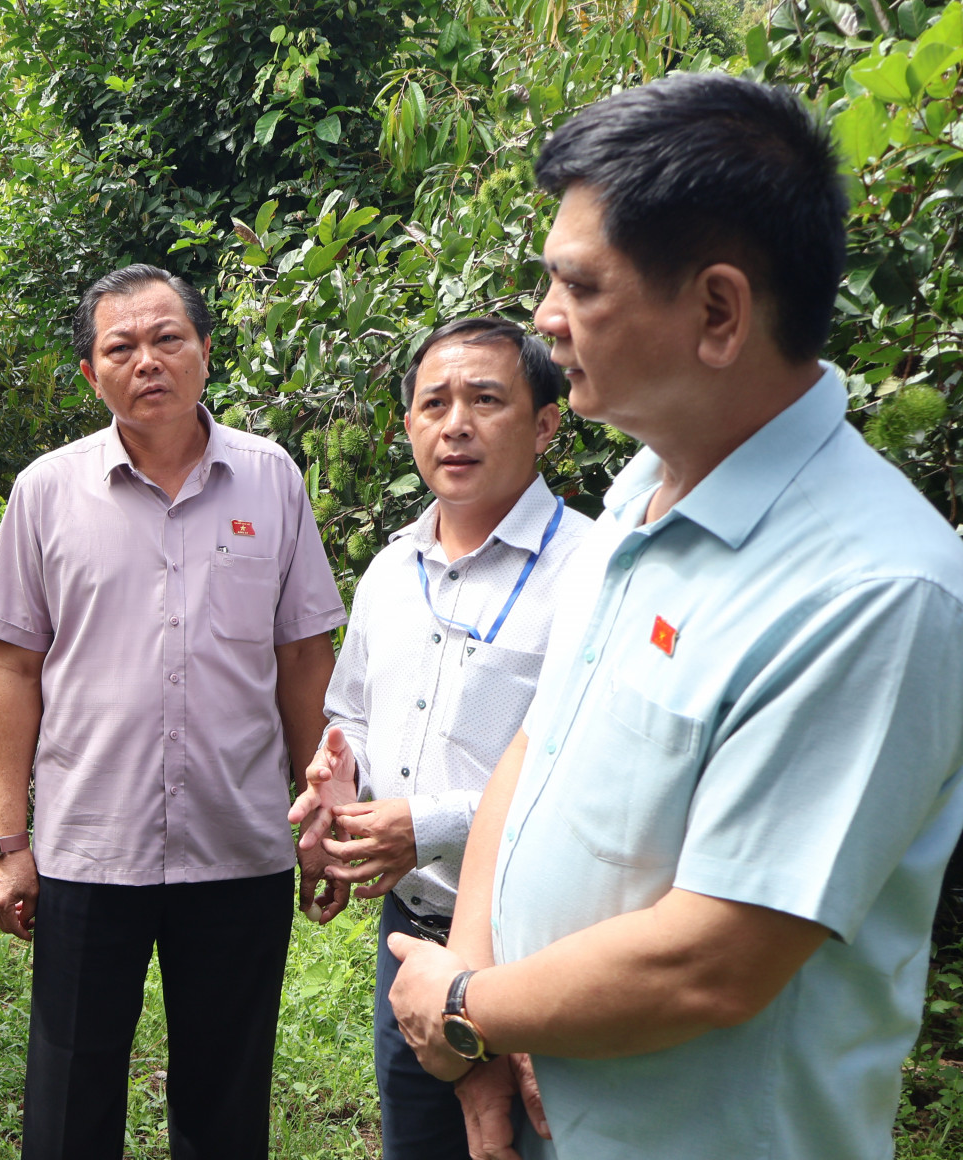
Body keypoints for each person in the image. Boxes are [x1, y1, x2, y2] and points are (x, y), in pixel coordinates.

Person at [383, 73, 963, 1160]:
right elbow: (536, 745)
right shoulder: (645, 486)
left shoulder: (876, 591)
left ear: (718, 311)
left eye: (579, 285)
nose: (546, 322)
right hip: (547, 1093)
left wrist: (466, 1005)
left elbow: (714, 957)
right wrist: (482, 1008)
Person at [0, 263, 349, 1158]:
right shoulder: (47, 492)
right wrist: (10, 844)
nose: (148, 361)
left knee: (227, 1088)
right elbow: (14, 671)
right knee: (69, 1091)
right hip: (90, 843)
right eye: (121, 346)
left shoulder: (271, 478)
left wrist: (321, 812)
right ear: (92, 373)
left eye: (167, 338)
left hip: (236, 839)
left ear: (207, 353)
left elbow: (303, 659)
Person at [288, 316, 590, 1158]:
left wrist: (427, 822)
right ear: (411, 425)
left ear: (545, 424)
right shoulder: (391, 569)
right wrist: (335, 784)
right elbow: (348, 712)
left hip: (539, 947)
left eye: (486, 399)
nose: (455, 422)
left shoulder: (595, 572)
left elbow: (590, 768)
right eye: (434, 403)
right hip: (412, 938)